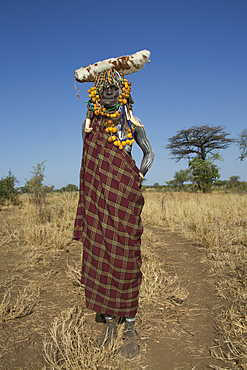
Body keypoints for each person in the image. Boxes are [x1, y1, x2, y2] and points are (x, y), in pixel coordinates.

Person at [73, 53, 154, 359]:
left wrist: (138, 177)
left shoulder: (133, 123)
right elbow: (87, 163)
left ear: (123, 92)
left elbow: (148, 153)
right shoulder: (89, 124)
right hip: (97, 205)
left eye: (114, 88)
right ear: (97, 93)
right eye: (103, 88)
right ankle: (109, 324)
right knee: (100, 256)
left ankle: (130, 325)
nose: (109, 91)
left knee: (127, 258)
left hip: (125, 202)